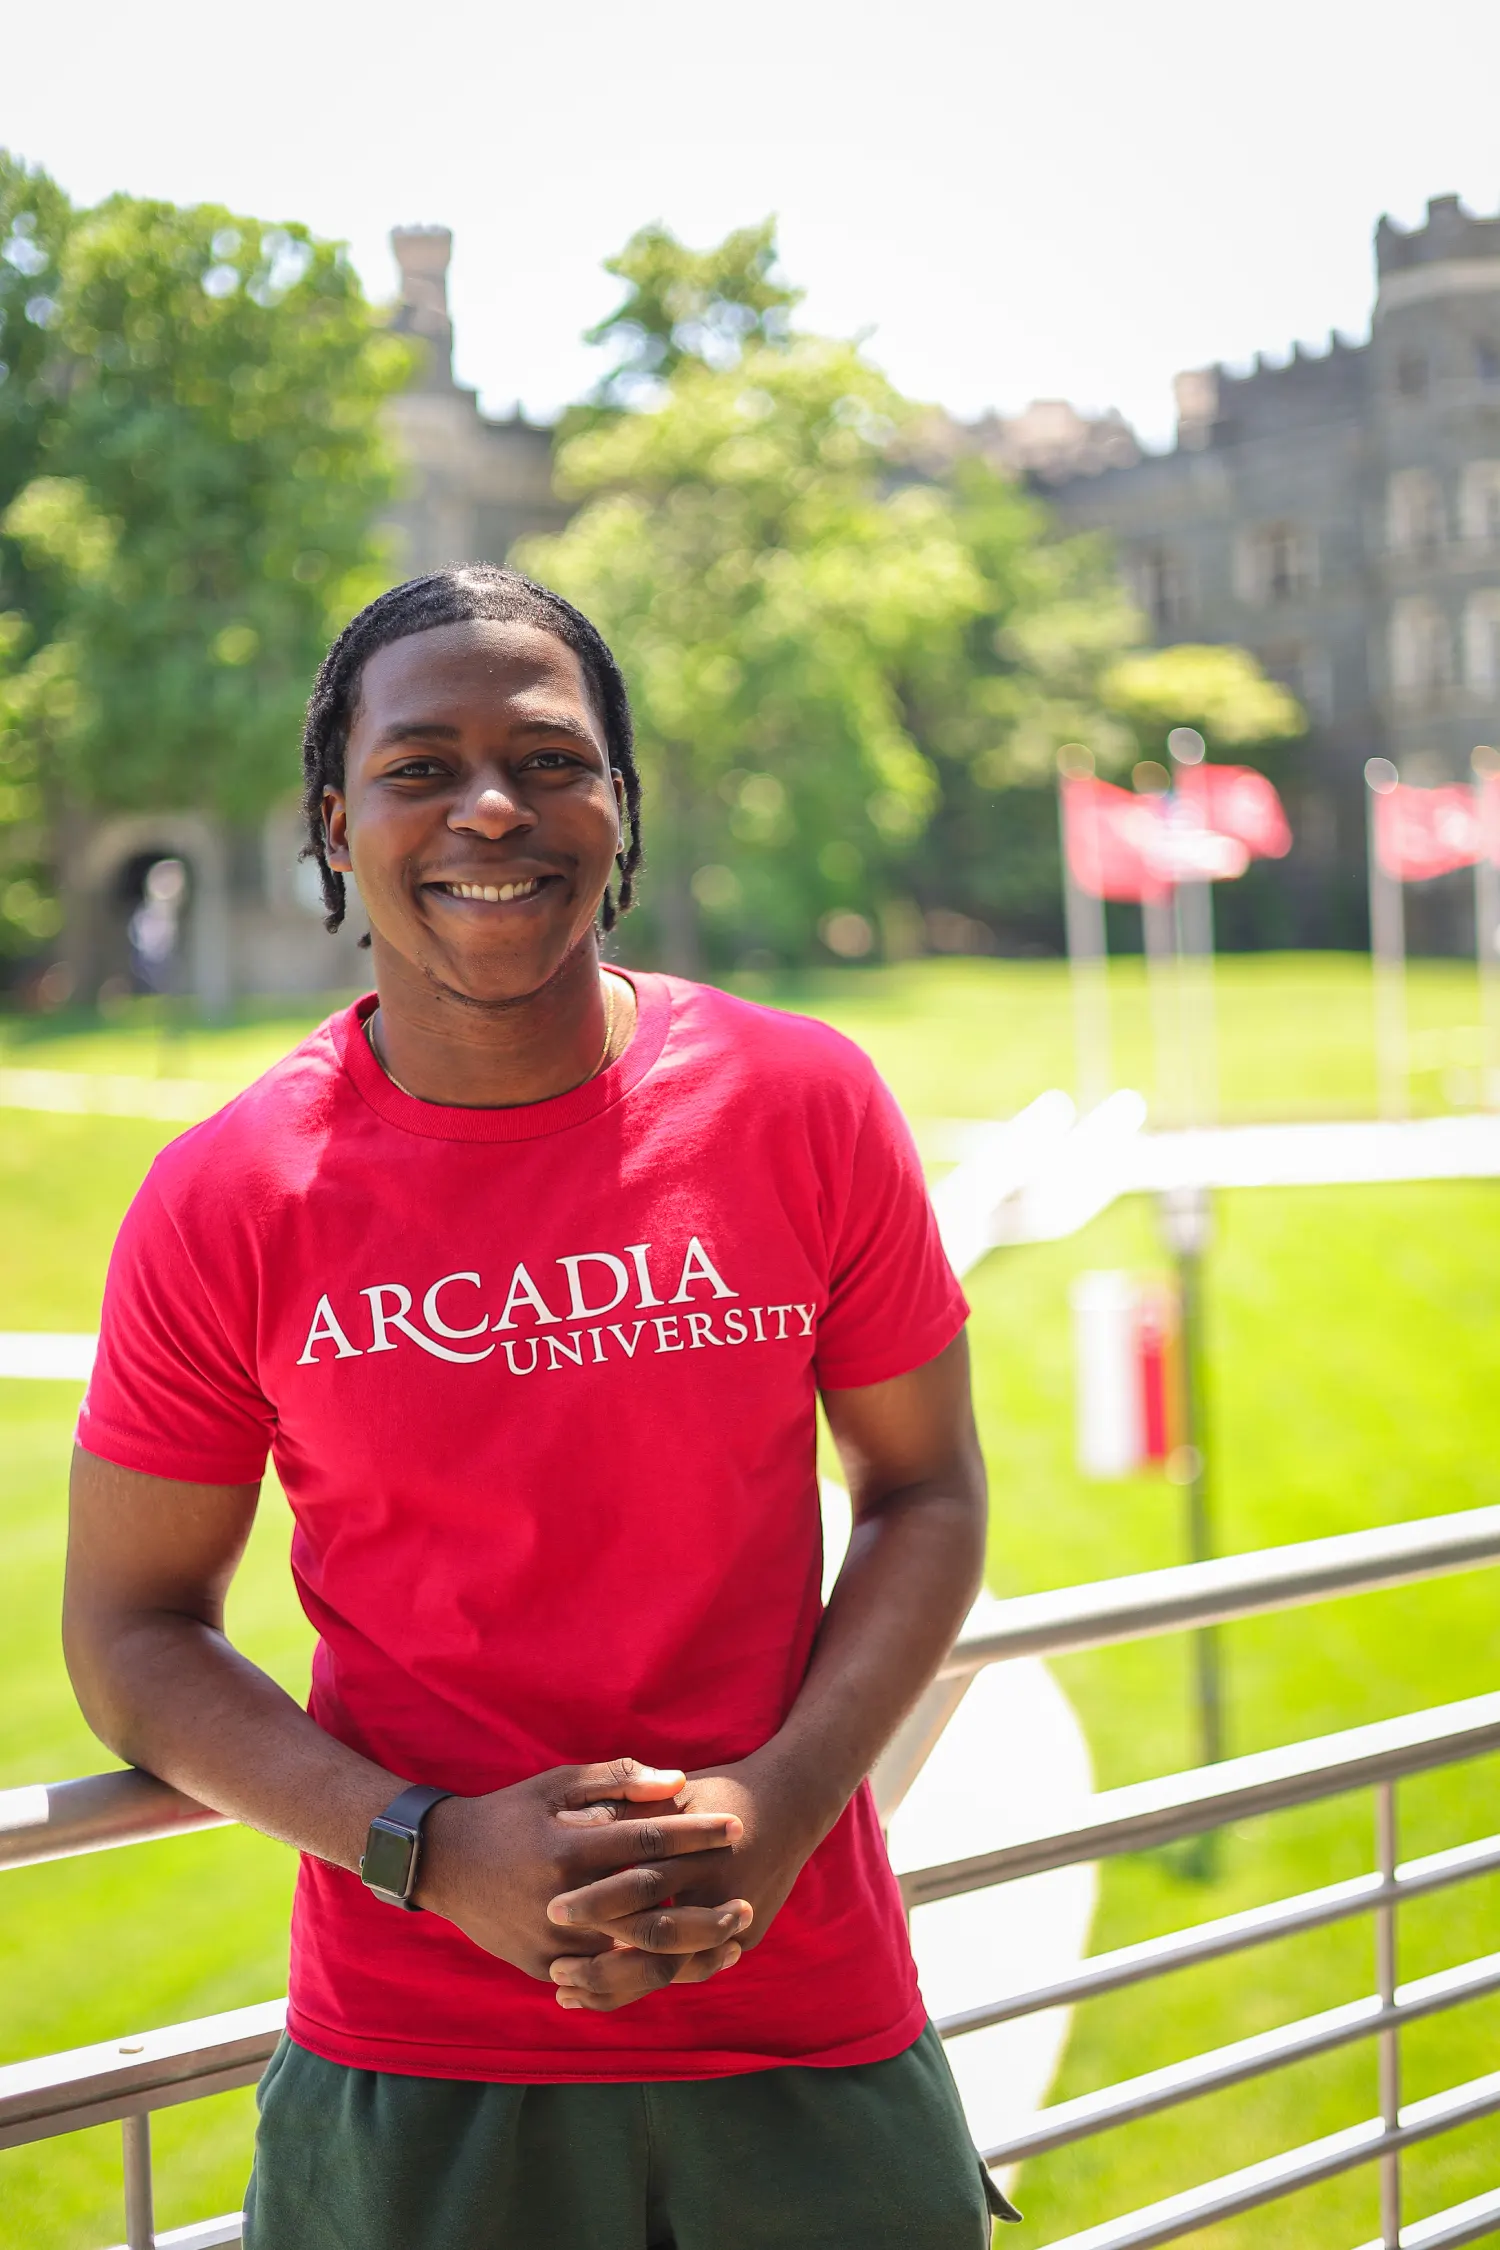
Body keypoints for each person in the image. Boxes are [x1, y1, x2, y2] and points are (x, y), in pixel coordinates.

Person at [64, 565, 1018, 2248]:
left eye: (551, 757)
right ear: (335, 824)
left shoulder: (802, 1102)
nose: (490, 806)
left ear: (621, 809)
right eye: (420, 765)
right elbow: (129, 1638)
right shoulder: (229, 1196)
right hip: (422, 2062)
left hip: (807, 2019)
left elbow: (928, 1490)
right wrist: (425, 1848)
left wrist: (787, 1803)